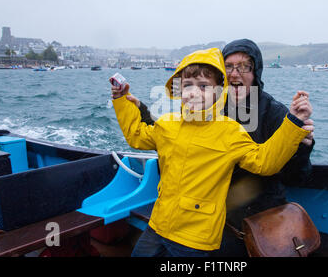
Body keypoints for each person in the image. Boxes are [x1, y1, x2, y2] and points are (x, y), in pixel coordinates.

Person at [118, 39, 315, 256]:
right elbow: (152, 136)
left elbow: (275, 166)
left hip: (245, 217)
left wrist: (296, 131)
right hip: (166, 221)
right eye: (229, 66)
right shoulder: (172, 122)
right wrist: (130, 106)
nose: (235, 73)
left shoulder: (261, 118)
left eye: (244, 67)